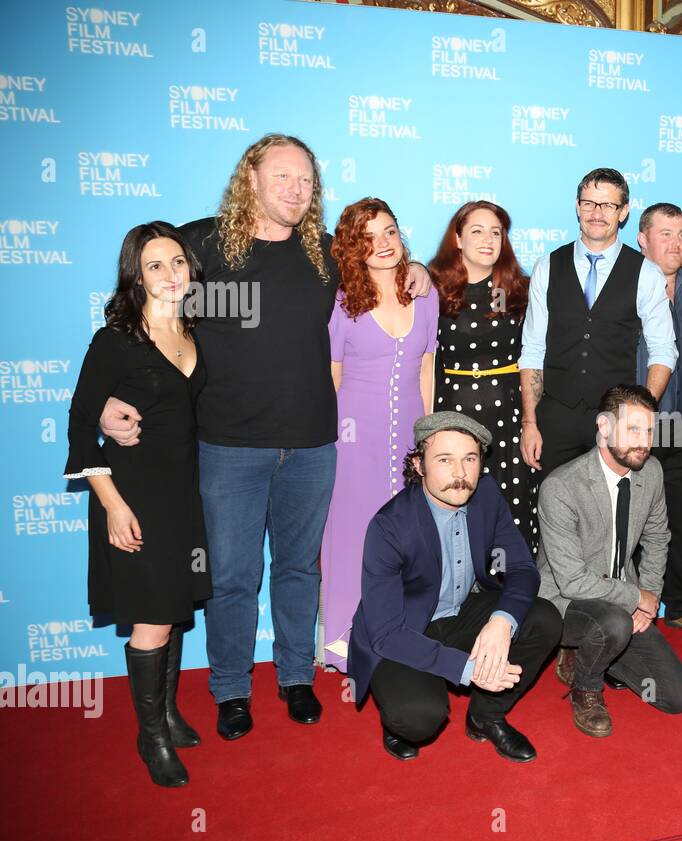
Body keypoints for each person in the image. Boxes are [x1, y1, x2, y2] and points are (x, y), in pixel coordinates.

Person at [97, 134, 433, 740]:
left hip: (312, 444)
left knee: (301, 568)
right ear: (249, 177)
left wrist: (416, 265)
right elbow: (137, 309)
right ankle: (230, 689)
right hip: (227, 446)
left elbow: (383, 266)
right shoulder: (198, 245)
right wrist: (109, 400)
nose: (295, 189)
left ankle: (296, 677)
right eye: (282, 176)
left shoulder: (324, 255)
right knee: (232, 576)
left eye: (305, 179)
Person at [64, 222, 211, 787]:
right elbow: (81, 429)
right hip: (132, 494)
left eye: (177, 262)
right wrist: (113, 506)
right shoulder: (115, 341)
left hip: (183, 495)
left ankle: (169, 714)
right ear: (135, 276)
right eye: (155, 265)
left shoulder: (196, 331)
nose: (170, 274)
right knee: (150, 619)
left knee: (173, 609)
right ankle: (149, 737)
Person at [347, 412, 562, 762]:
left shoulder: (486, 495)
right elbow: (386, 632)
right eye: (444, 460)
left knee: (544, 617)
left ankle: (485, 716)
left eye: (470, 459)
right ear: (419, 465)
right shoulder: (389, 526)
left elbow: (521, 566)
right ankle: (396, 717)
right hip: (404, 631)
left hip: (461, 614)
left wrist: (501, 622)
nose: (460, 474)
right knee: (419, 718)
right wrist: (468, 669)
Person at [321, 198, 439, 672]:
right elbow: (332, 374)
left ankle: (401, 634)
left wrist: (428, 435)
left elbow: (427, 365)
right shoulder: (343, 302)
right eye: (369, 236)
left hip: (411, 432)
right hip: (353, 437)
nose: (384, 243)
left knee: (406, 537)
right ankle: (345, 643)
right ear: (352, 246)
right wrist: (338, 437)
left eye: (390, 231)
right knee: (351, 535)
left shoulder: (424, 295)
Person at [537, 385, 682, 737]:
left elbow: (656, 538)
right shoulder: (561, 487)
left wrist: (648, 597)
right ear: (604, 427)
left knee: (674, 697)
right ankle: (586, 687)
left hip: (623, 602)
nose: (644, 442)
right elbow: (573, 581)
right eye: (633, 429)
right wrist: (635, 598)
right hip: (565, 602)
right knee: (613, 624)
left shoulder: (651, 472)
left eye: (649, 430)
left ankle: (597, 651)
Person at [519, 168, 677, 475]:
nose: (597, 213)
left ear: (624, 212)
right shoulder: (547, 266)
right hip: (555, 418)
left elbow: (663, 351)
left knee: (613, 518)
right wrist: (529, 422)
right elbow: (533, 349)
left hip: (614, 422)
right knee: (553, 513)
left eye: (608, 205)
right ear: (577, 207)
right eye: (589, 203)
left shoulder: (645, 273)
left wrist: (637, 418)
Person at [429, 200, 537, 551]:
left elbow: (532, 361)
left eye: (496, 232)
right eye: (477, 230)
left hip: (508, 422)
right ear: (457, 238)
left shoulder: (516, 290)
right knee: (454, 507)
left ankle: (511, 593)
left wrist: (532, 422)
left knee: (510, 511)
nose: (488, 239)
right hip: (452, 420)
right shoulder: (434, 291)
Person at [633, 202, 682, 630]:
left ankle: (680, 604)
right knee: (629, 521)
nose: (676, 242)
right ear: (642, 239)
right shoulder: (622, 289)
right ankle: (627, 606)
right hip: (637, 426)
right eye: (665, 233)